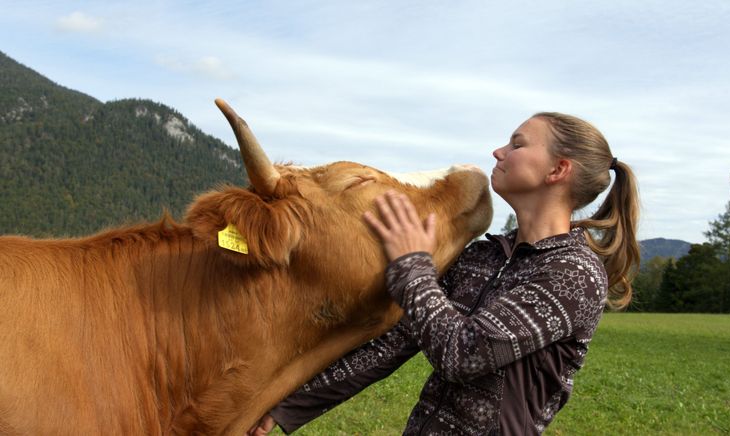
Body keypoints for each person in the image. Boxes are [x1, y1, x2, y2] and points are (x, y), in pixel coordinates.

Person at [248, 112, 639, 435]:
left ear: (558, 169)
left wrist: (413, 264)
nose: (499, 151)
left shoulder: (573, 273)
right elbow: (393, 342)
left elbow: (464, 353)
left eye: (517, 144)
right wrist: (285, 407)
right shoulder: (483, 256)